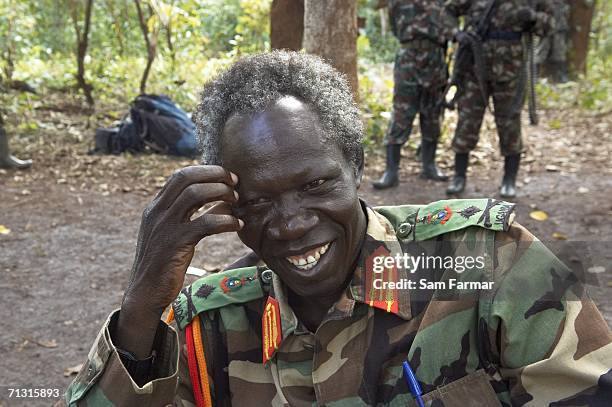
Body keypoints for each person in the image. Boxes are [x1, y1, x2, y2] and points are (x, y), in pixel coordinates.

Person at [61, 52, 611, 406]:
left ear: (357, 168)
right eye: (257, 201)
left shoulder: (487, 262)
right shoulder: (204, 326)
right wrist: (140, 306)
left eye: (317, 185)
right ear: (229, 205)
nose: (292, 223)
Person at [444, 0, 555, 198]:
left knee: (510, 124)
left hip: (510, 72)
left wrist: (532, 17)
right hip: (473, 70)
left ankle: (509, 179)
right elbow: (448, 11)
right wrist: (456, 33)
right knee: (467, 122)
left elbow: (549, 25)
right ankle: (459, 177)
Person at [372, 0, 450, 190]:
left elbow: (450, 25)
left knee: (433, 113)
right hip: (408, 58)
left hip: (435, 59)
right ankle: (391, 172)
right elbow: (394, 25)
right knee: (401, 113)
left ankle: (429, 166)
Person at [536, 0, 570, 83]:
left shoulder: (563, 3)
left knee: (559, 54)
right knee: (540, 54)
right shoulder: (543, 3)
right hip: (545, 31)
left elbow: (566, 14)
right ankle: (534, 76)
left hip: (559, 31)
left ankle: (560, 77)